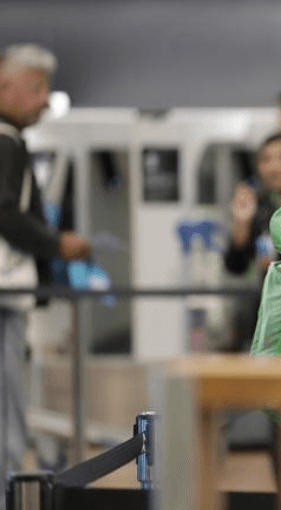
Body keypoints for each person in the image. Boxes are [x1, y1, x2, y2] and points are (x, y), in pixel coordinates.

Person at [0, 44, 91, 497]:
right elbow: (5, 213)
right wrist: (56, 243)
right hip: (4, 296)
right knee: (7, 408)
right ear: (4, 86)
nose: (43, 99)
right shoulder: (6, 143)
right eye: (36, 88)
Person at [224, 132, 281, 351]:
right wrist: (241, 222)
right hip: (265, 322)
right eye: (265, 159)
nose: (274, 166)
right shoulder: (259, 210)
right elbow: (236, 266)